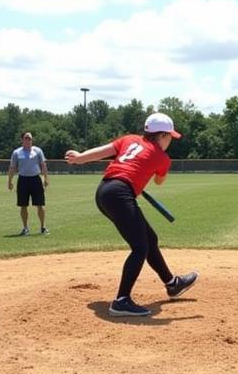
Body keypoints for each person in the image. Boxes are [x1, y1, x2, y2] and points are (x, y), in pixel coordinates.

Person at [65, 112, 198, 318]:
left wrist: (79, 158)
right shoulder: (162, 157)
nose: (171, 140)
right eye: (170, 136)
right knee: (140, 248)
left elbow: (103, 151)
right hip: (120, 194)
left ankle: (172, 284)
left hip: (104, 191)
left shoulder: (130, 139)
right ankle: (121, 301)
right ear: (162, 136)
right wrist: (157, 167)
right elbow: (159, 182)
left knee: (149, 239)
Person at [8, 132, 49, 235]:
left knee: (40, 204)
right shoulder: (16, 153)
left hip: (36, 179)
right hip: (23, 180)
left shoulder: (38, 151)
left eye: (30, 138)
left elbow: (43, 165)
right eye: (26, 138)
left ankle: (43, 227)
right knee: (23, 205)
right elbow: (12, 167)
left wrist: (45, 178)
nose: (29, 140)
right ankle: (25, 228)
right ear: (22, 140)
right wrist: (10, 181)